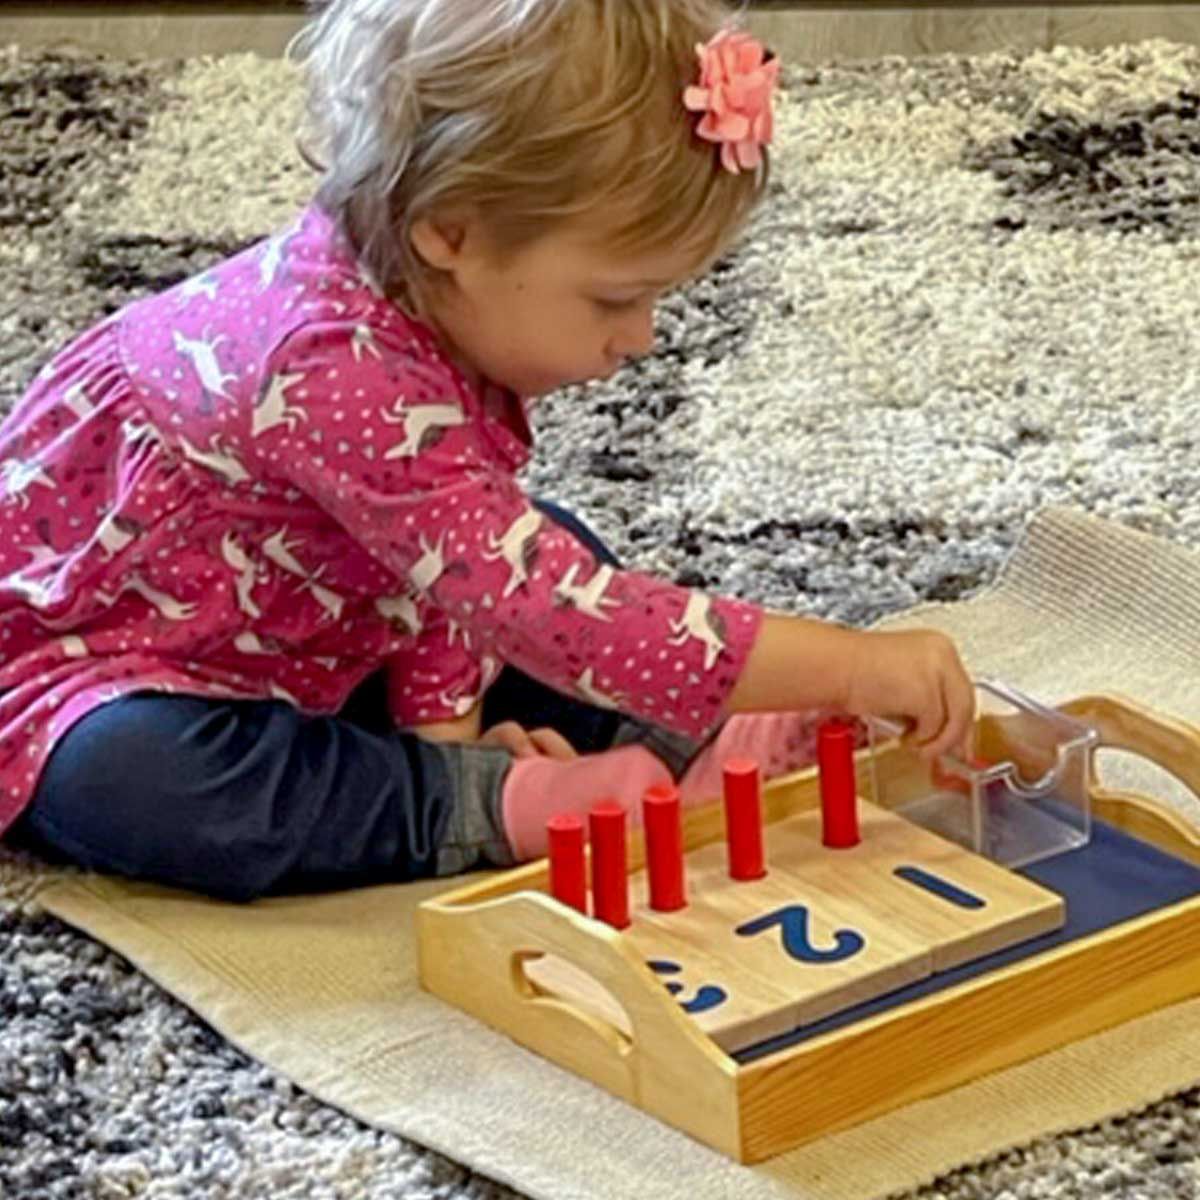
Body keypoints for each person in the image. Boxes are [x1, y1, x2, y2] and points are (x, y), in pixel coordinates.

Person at [0, 0, 974, 902]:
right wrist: (846, 665)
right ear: (451, 233)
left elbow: (434, 574)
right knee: (144, 780)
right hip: (106, 669)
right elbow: (539, 612)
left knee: (544, 544)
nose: (640, 338)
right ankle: (480, 810)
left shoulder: (419, 306)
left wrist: (449, 725)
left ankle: (673, 737)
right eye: (614, 298)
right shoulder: (330, 367)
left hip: (316, 618)